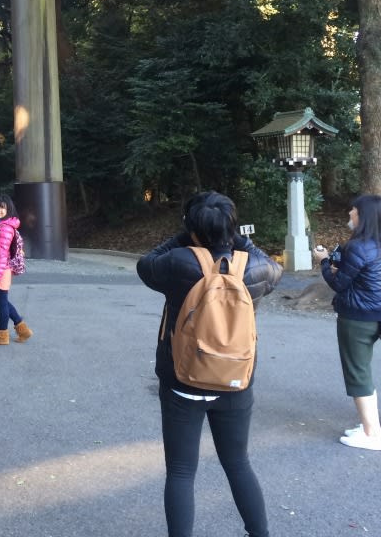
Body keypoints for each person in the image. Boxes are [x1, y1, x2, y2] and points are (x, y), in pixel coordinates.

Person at [136, 191, 281, 537]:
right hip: (235, 380)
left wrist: (186, 236)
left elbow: (146, 263)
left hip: (182, 382)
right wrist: (234, 237)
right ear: (231, 226)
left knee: (181, 472)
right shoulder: (256, 268)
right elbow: (274, 267)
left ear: (192, 228)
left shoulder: (179, 263)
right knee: (237, 463)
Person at [312, 194, 381, 450]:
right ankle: (373, 426)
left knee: (357, 375)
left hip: (357, 317)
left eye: (354, 210)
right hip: (375, 314)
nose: (350, 213)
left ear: (364, 215)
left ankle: (371, 435)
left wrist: (324, 262)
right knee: (363, 371)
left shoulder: (359, 246)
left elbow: (338, 283)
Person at [0, 193, 33, 345]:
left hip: (1, 270)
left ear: (9, 209)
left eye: (2, 208)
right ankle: (23, 330)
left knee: (2, 304)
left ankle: (2, 336)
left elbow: (3, 254)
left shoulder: (4, 228)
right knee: (3, 302)